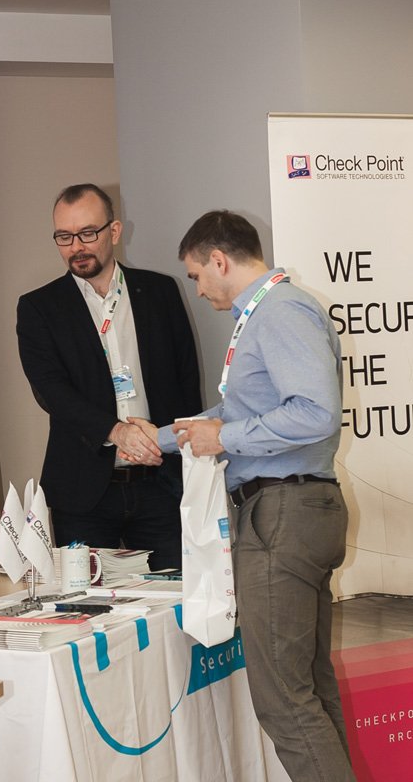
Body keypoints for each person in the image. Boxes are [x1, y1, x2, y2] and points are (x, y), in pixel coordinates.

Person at [127, 210, 355, 781]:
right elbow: (236, 412)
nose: (198, 289)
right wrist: (158, 439)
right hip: (290, 511)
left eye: (196, 276)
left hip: (284, 514)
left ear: (219, 260)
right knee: (308, 690)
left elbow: (316, 413)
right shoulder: (266, 314)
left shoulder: (280, 311)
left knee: (285, 702)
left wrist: (224, 438)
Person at [16, 183, 202, 570]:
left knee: (177, 594)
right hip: (83, 492)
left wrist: (185, 461)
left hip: (162, 485)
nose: (76, 247)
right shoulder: (39, 308)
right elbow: (52, 392)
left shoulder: (160, 292)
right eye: (64, 237)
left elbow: (186, 383)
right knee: (88, 600)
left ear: (114, 231)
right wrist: (116, 432)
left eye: (87, 233)